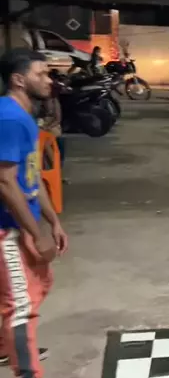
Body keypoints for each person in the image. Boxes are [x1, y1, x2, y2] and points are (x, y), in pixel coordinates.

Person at [0, 48, 69, 378]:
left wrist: (52, 221)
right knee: (21, 305)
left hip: (22, 222)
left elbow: (32, 176)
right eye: (40, 74)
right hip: (7, 227)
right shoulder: (9, 119)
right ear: (18, 79)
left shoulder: (23, 116)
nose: (48, 80)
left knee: (38, 283)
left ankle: (6, 346)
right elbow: (5, 181)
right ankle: (26, 370)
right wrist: (35, 233)